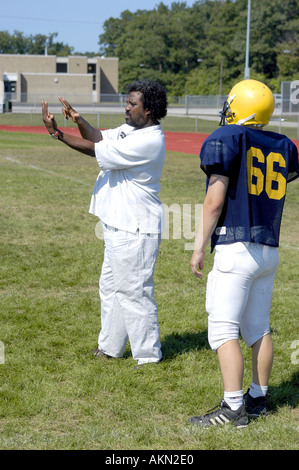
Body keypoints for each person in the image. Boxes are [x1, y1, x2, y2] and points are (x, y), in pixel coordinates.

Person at [189, 79, 299, 428]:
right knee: (258, 328)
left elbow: (214, 201)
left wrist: (197, 247)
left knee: (223, 329)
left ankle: (233, 407)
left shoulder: (226, 138)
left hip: (236, 247)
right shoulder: (283, 145)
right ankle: (258, 396)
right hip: (268, 250)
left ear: (239, 106)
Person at [42, 79, 168, 365]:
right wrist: (77, 119)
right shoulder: (131, 129)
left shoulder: (149, 141)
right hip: (117, 224)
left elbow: (93, 150)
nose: (126, 107)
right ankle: (110, 348)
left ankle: (149, 356)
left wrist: (58, 134)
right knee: (111, 288)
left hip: (135, 229)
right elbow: (99, 137)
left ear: (148, 110)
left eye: (132, 104)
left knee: (135, 293)